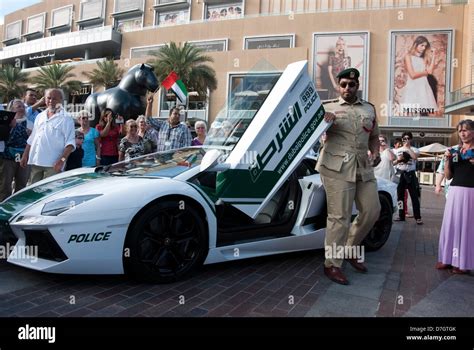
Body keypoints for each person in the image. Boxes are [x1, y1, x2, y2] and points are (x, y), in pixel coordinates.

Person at [315, 68, 381, 285]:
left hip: (363, 165)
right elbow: (312, 135)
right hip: (337, 166)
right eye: (343, 84)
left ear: (357, 86)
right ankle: (332, 264)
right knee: (339, 218)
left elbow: (374, 137)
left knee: (372, 210)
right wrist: (324, 123)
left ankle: (350, 248)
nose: (347, 88)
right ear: (338, 86)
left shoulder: (369, 108)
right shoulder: (327, 107)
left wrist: (377, 152)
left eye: (351, 85)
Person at [436, 119, 474, 274]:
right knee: (451, 225)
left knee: (467, 228)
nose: (462, 133)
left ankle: (464, 263)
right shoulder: (455, 151)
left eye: (465, 130)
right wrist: (446, 160)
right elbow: (449, 175)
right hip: (455, 191)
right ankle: (448, 259)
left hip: (471, 192)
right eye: (460, 130)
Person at [20, 88, 75, 184]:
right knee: (34, 192)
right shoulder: (40, 116)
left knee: (49, 194)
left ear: (61, 100)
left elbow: (70, 144)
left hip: (53, 165)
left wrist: (61, 161)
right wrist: (25, 155)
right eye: (48, 98)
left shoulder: (67, 118)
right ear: (44, 99)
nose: (51, 101)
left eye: (54, 99)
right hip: (35, 162)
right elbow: (32, 138)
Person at [400, 36, 438, 116]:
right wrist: (425, 72)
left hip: (423, 87)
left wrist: (434, 55)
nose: (424, 48)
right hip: (413, 87)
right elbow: (412, 75)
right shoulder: (408, 56)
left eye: (425, 46)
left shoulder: (424, 58)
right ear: (416, 44)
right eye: (422, 45)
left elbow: (430, 71)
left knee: (423, 114)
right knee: (411, 114)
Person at [0, 99, 29, 201]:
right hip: (8, 158)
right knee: (5, 186)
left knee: (22, 185)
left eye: (22, 107)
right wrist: (11, 127)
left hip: (24, 158)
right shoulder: (5, 121)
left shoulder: (29, 123)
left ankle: (18, 208)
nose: (21, 109)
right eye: (18, 107)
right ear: (11, 109)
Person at [393, 131, 422, 224]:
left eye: (408, 138)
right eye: (404, 139)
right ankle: (401, 215)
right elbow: (392, 163)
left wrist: (407, 149)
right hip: (400, 173)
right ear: (402, 139)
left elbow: (414, 157)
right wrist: (399, 160)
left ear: (411, 139)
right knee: (400, 197)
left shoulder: (415, 149)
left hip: (411, 173)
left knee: (414, 196)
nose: (406, 140)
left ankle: (417, 217)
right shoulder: (397, 150)